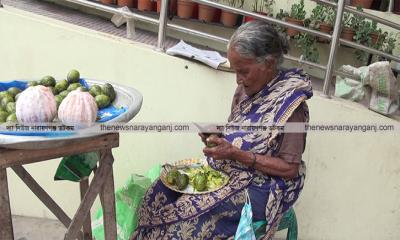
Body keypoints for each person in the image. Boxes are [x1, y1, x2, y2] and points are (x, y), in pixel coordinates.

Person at [131, 20, 313, 240]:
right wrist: (219, 136)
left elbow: (290, 169)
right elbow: (242, 131)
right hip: (230, 169)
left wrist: (237, 154)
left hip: (264, 185)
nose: (238, 79)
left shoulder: (291, 106)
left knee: (187, 219)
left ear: (269, 63)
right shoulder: (244, 90)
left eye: (243, 71)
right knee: (157, 192)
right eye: (235, 71)